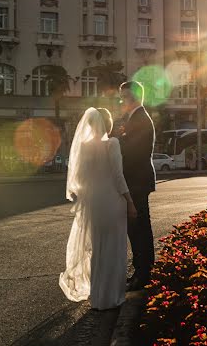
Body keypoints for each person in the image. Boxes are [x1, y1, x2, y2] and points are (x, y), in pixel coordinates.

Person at [59, 107, 137, 309]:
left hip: (93, 203)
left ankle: (98, 297)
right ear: (107, 124)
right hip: (112, 201)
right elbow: (118, 177)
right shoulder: (112, 144)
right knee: (113, 250)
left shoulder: (84, 146)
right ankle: (111, 297)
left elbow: (79, 179)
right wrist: (129, 201)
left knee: (97, 249)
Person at [118, 81, 156, 291]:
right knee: (138, 228)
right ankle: (142, 270)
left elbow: (134, 153)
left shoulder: (140, 119)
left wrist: (116, 145)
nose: (121, 100)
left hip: (137, 181)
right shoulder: (134, 118)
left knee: (138, 228)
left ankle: (143, 274)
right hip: (137, 180)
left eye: (123, 96)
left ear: (131, 97)